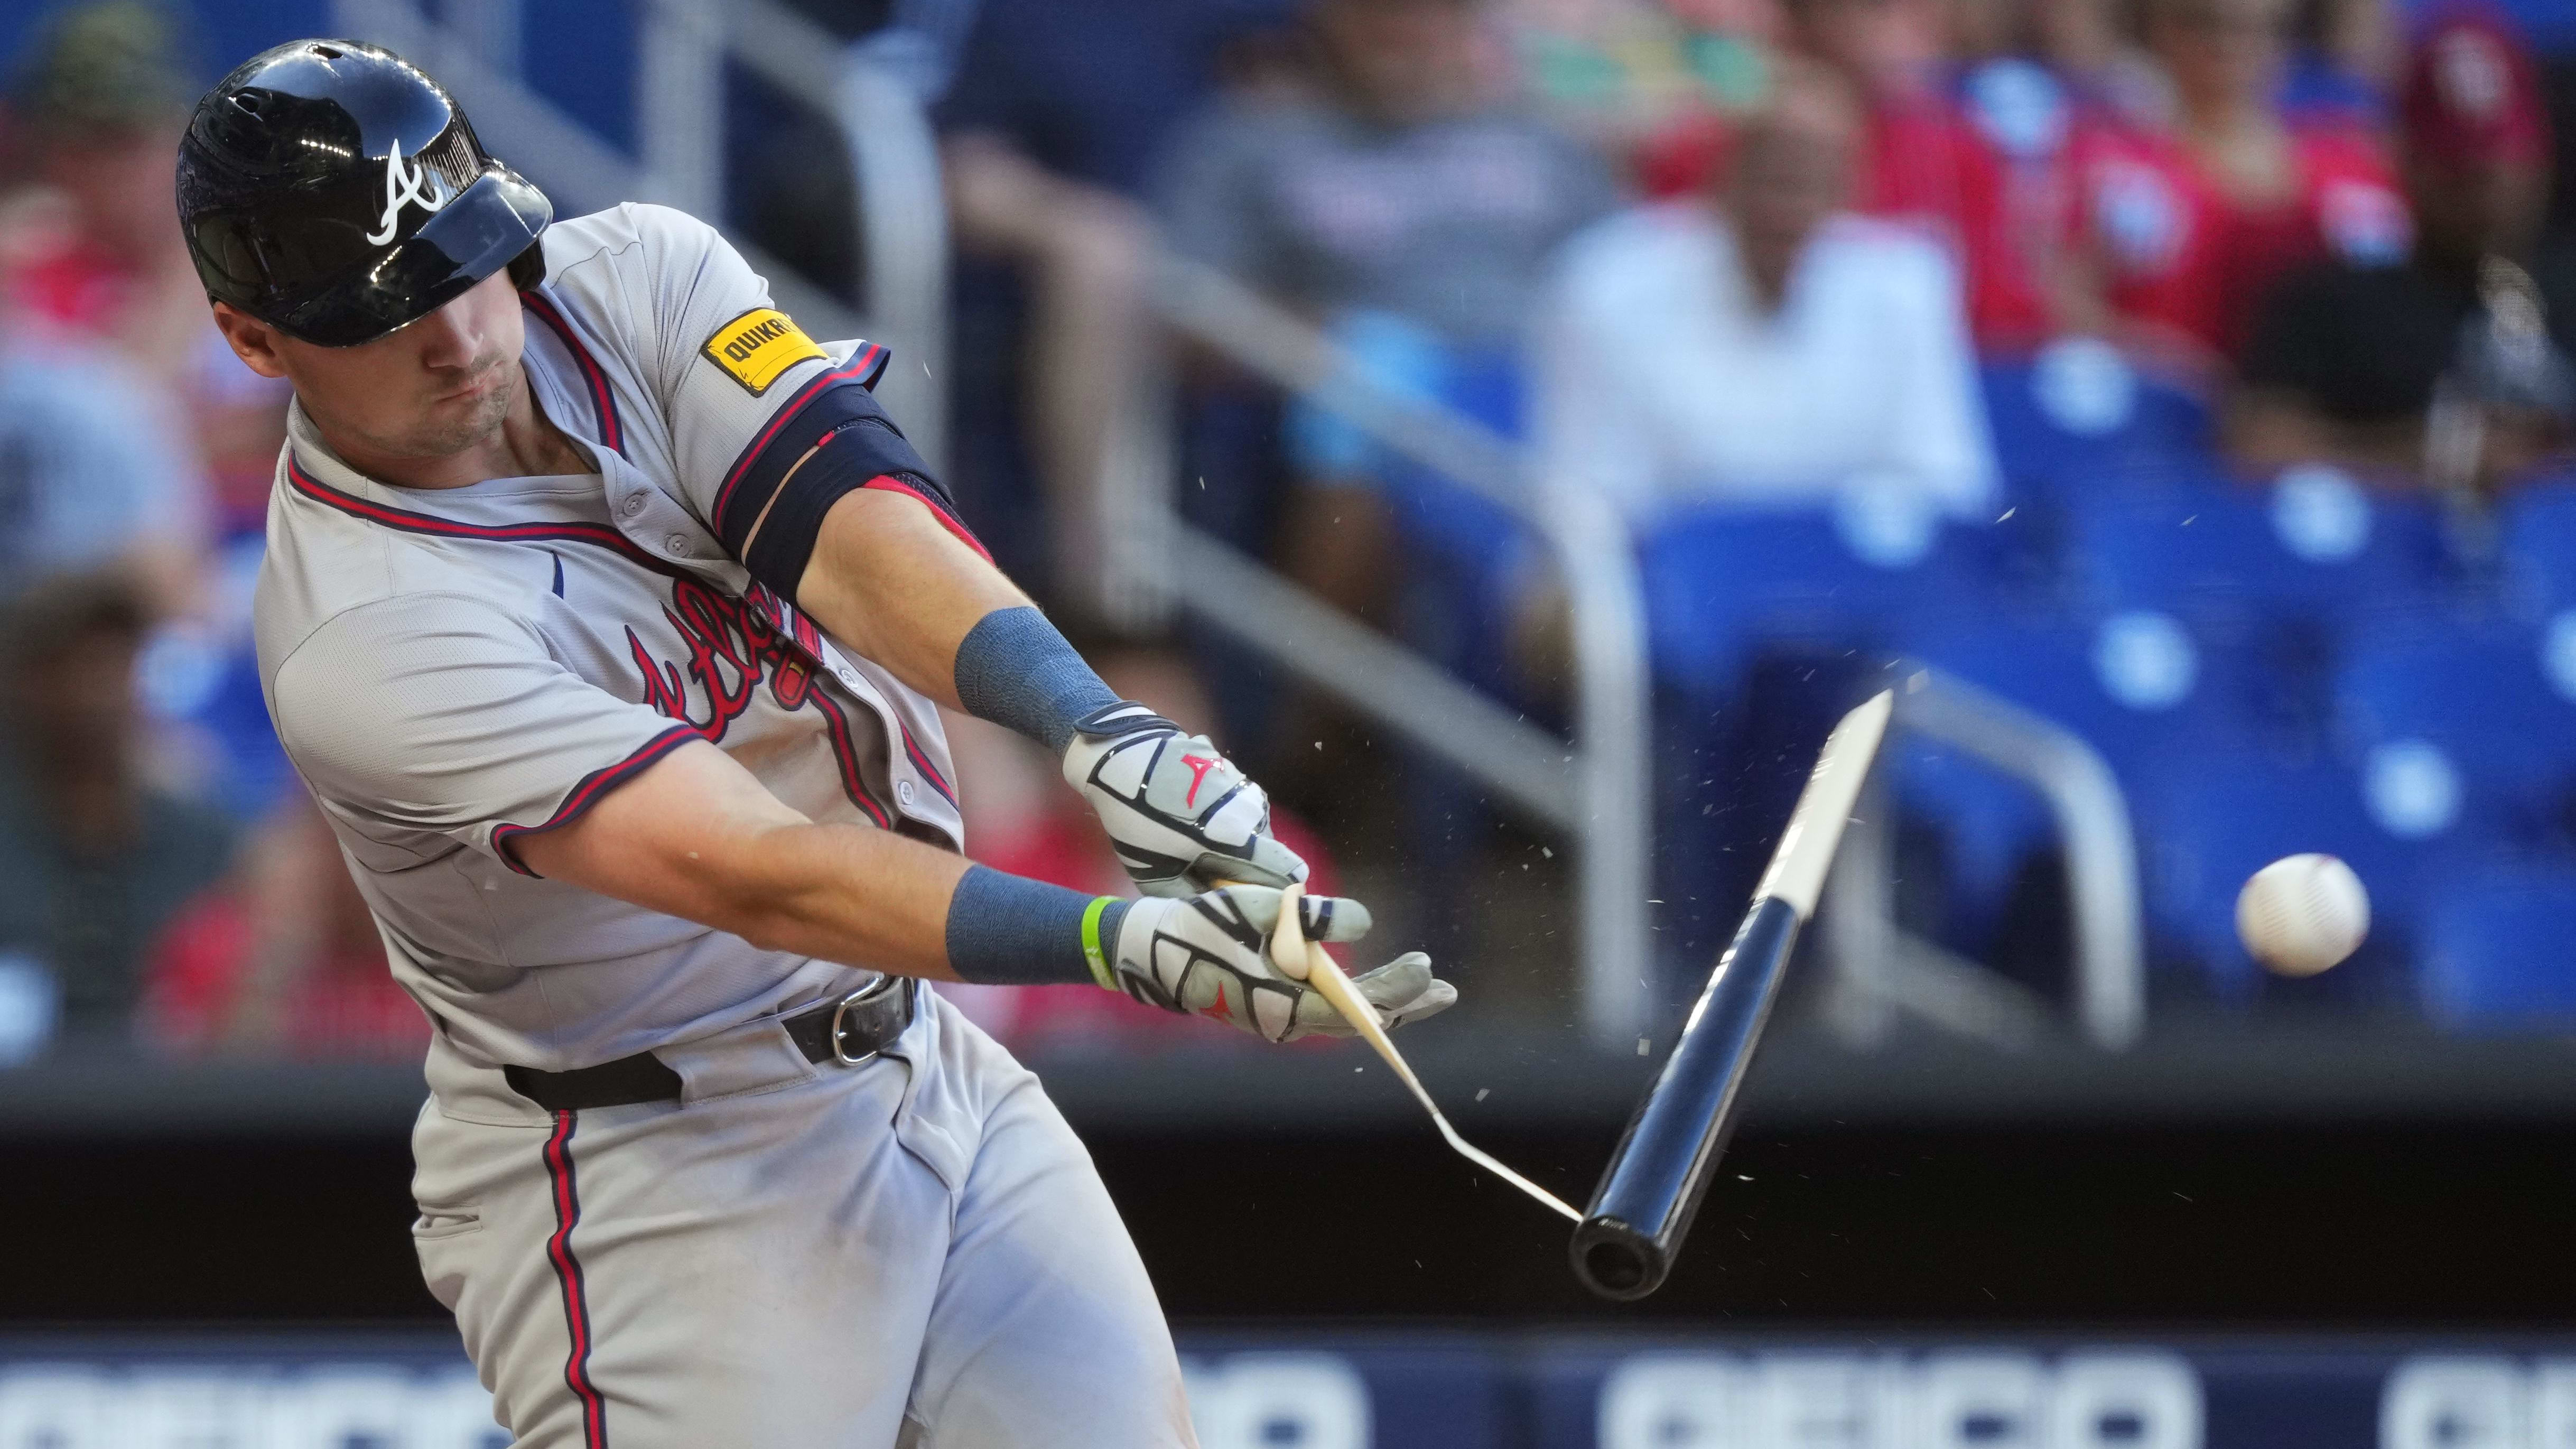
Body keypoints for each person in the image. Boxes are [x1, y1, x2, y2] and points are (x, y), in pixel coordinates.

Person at [183, 41, 1454, 1446]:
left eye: (467, 261)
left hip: (924, 1058)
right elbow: (759, 867)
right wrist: (1111, 940)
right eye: (385, 308)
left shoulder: (637, 273)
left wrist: (1100, 731)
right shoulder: (362, 635)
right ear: (255, 338)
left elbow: (852, 524)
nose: (459, 331)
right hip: (660, 1168)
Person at [1534, 59, 1996, 523]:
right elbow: (1589, 511)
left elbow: (1945, 489)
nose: (1784, 210)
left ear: (1848, 189)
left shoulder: (1906, 284)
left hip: (1849, 587)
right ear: (1725, 173)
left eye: (1809, 182)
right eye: (1771, 176)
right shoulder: (1608, 284)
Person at [2231, 1, 2574, 486]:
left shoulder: (2567, 287)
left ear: (2539, 160)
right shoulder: (2335, 300)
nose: (2478, 189)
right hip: (2396, 550)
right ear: (2404, 161)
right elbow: (2254, 447)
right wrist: (2434, 457)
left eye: (2494, 162)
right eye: (2453, 168)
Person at [0, 572, 235, 1048]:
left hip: (171, 1104)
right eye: (66, 669)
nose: (93, 693)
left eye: (111, 665)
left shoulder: (206, 845)